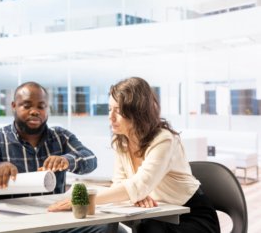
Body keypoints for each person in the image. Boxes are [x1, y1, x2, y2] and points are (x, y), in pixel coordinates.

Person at [49, 77, 220, 233]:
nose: (110, 117)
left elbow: (137, 186)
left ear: (137, 111)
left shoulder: (164, 139)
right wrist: (134, 195)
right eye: (109, 109)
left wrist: (86, 200)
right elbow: (121, 185)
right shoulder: (122, 141)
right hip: (157, 212)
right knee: (142, 226)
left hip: (191, 215)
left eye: (118, 110)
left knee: (147, 228)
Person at [0, 81, 97, 197]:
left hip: (54, 215)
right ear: (14, 106)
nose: (34, 112)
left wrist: (66, 160)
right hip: (10, 216)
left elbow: (91, 158)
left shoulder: (60, 137)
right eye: (27, 106)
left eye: (41, 107)